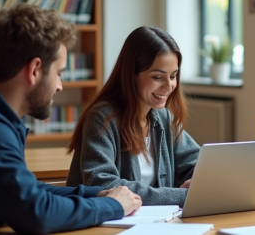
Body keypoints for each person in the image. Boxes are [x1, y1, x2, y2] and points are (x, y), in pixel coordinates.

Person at [0, 4, 142, 234]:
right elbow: (38, 213)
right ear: (34, 70)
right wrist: (112, 205)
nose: (60, 86)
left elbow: (26, 191)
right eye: (59, 73)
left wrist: (97, 194)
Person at [66, 26, 199, 207]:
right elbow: (103, 185)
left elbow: (197, 162)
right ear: (131, 75)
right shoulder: (101, 118)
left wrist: (200, 182)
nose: (169, 86)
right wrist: (181, 195)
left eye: (173, 76)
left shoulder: (162, 117)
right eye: (158, 77)